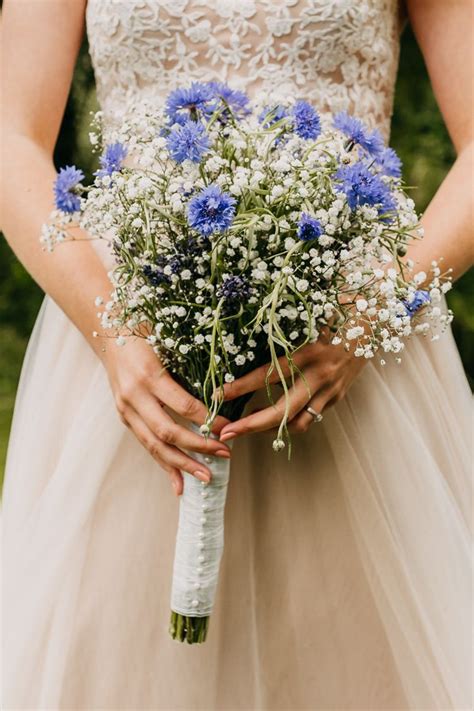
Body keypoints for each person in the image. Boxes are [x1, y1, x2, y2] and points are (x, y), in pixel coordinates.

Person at [1, 1, 472, 708]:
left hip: (352, 363)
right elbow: (11, 135)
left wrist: (369, 315)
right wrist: (112, 334)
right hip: (127, 357)